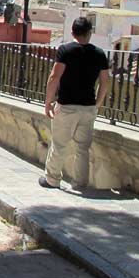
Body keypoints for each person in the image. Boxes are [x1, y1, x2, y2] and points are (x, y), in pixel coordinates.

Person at [40, 16, 110, 191]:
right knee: (83, 148)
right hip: (88, 106)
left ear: (72, 32)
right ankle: (80, 183)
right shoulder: (99, 53)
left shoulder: (65, 50)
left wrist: (48, 103)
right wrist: (98, 104)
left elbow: (54, 77)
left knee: (59, 144)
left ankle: (52, 179)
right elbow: (105, 82)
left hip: (67, 105)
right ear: (89, 33)